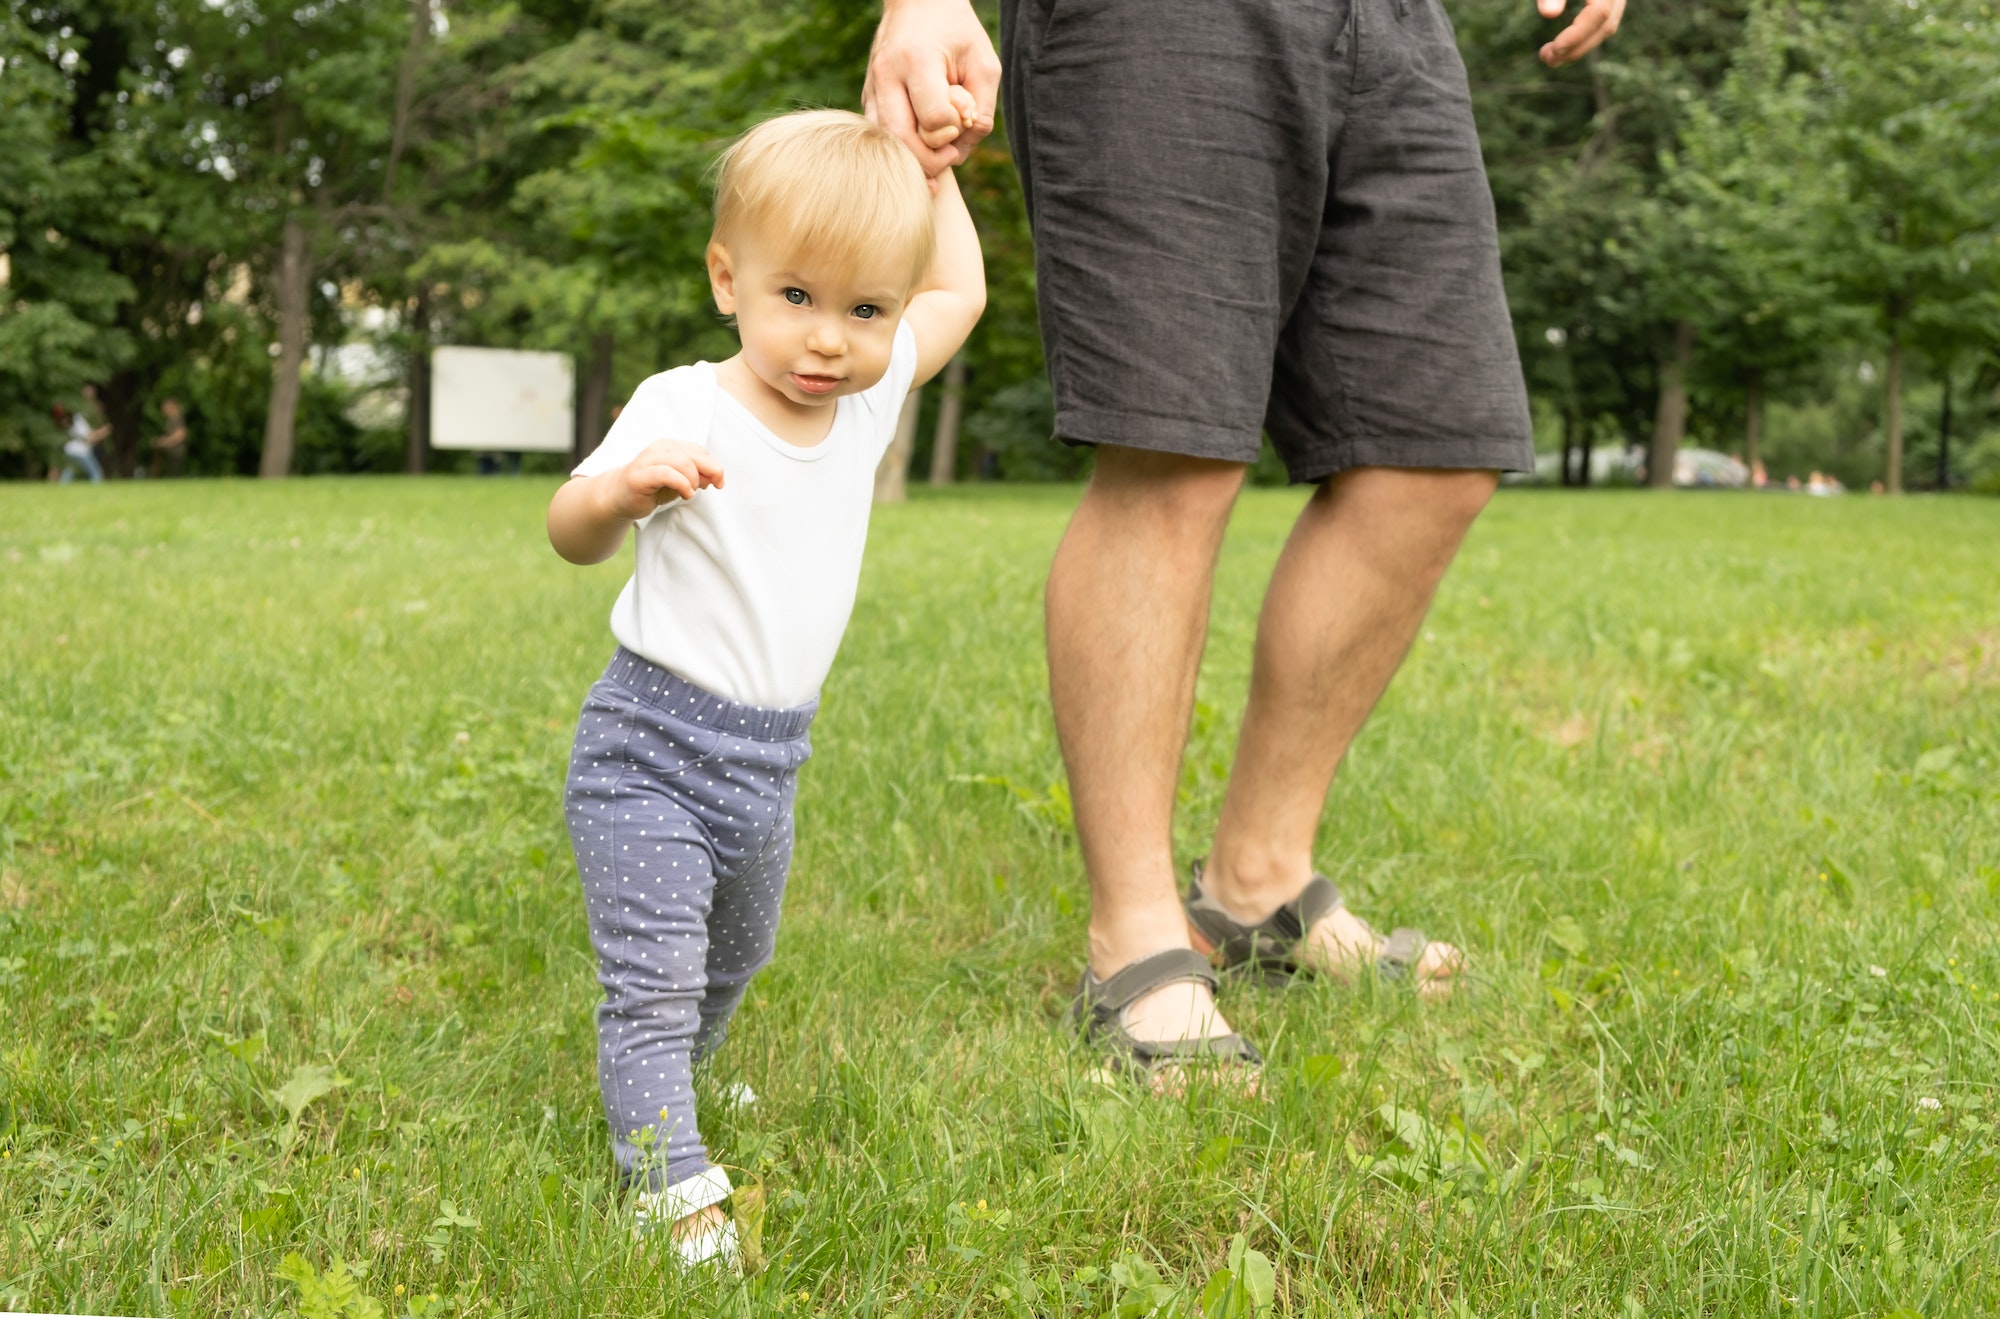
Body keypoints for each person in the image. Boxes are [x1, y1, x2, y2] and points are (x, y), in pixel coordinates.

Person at [864, 0, 1627, 1083]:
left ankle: (1257, 880)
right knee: (1170, 450)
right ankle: (1134, 932)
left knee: (1433, 448)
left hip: (1392, 23)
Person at [544, 109, 985, 1265]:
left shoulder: (868, 407)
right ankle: (669, 1180)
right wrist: (623, 491)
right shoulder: (681, 403)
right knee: (656, 977)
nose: (828, 338)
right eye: (796, 296)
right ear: (726, 279)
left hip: (766, 764)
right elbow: (568, 531)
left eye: (865, 309)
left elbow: (962, 295)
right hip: (647, 748)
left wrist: (935, 177)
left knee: (734, 959)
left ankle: (673, 1088)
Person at [56, 397, 109, 483]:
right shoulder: (78, 420)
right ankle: (97, 493)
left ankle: (62, 487)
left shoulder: (75, 420)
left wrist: (101, 432)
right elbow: (89, 438)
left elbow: (90, 435)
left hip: (70, 450)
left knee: (69, 472)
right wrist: (103, 432)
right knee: (96, 473)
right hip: (80, 451)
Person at [150, 398, 189, 477]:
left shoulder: (176, 419)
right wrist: (160, 440)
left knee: (175, 474)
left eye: (164, 407)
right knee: (171, 473)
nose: (163, 409)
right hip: (171, 450)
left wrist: (164, 442)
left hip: (177, 451)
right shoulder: (170, 419)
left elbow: (181, 434)